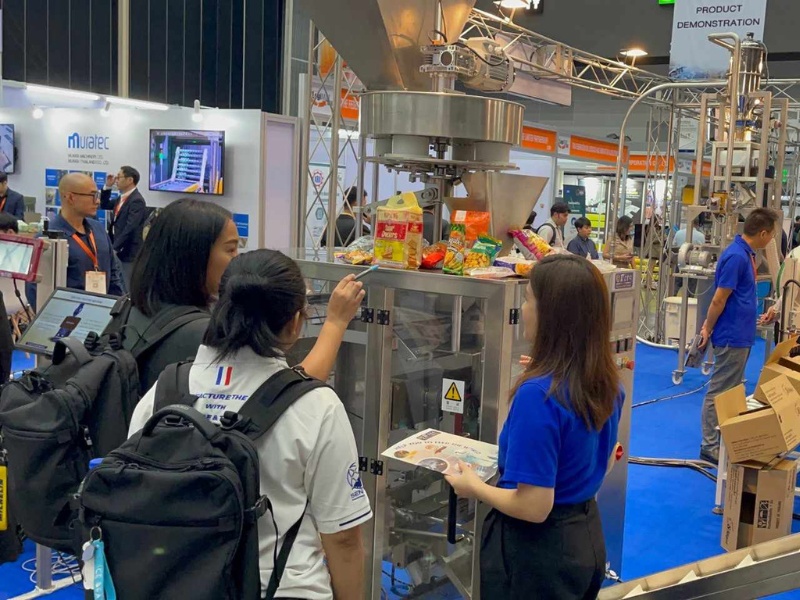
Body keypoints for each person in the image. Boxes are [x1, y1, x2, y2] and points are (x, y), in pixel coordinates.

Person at [129, 249, 371, 600]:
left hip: (172, 584)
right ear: (295, 322)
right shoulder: (318, 408)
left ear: (222, 306)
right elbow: (344, 538)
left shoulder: (164, 392)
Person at [446, 254, 623, 599]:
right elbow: (605, 461)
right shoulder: (605, 381)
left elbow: (533, 506)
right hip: (584, 538)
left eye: (529, 300)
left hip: (536, 555)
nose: (524, 309)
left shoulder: (538, 396)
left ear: (552, 316)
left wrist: (473, 487)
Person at [127, 197, 365, 391]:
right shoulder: (202, 334)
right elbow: (285, 393)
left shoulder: (129, 309)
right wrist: (335, 322)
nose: (236, 259)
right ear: (194, 256)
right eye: (230, 249)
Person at [698, 208, 779, 463]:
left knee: (731, 390)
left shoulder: (745, 255)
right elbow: (718, 299)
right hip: (730, 336)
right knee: (720, 390)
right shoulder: (736, 257)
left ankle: (722, 440)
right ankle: (709, 444)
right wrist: (707, 327)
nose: (772, 239)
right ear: (763, 233)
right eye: (772, 234)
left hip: (741, 334)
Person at [26, 173, 125, 308]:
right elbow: (35, 291)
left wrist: (119, 311)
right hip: (68, 315)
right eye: (92, 195)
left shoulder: (98, 230)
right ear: (71, 197)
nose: (97, 201)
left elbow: (113, 274)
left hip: (103, 312)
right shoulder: (47, 240)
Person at [100, 166, 148, 285]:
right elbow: (104, 204)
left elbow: (130, 227)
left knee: (126, 283)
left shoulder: (137, 200)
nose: (116, 180)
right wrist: (108, 187)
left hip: (128, 250)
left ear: (130, 180)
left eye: (119, 177)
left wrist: (115, 248)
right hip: (117, 246)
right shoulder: (121, 198)